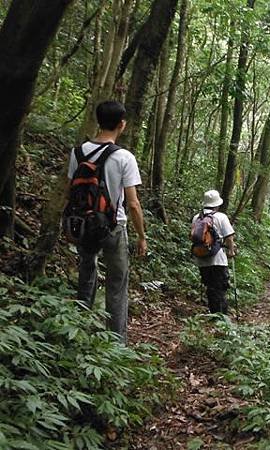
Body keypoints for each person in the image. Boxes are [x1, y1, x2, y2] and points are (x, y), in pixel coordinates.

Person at [67, 100, 147, 344]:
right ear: (122, 125)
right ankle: (116, 342)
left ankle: (79, 331)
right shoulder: (124, 157)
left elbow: (71, 189)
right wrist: (142, 236)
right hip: (113, 225)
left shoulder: (78, 152)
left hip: (83, 223)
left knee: (87, 271)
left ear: (98, 121)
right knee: (117, 282)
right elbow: (132, 203)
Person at [192, 190, 236, 314]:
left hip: (201, 258)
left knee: (210, 287)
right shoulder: (221, 217)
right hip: (218, 259)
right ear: (217, 204)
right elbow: (229, 237)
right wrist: (231, 251)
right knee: (220, 288)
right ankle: (221, 317)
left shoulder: (196, 217)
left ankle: (214, 313)